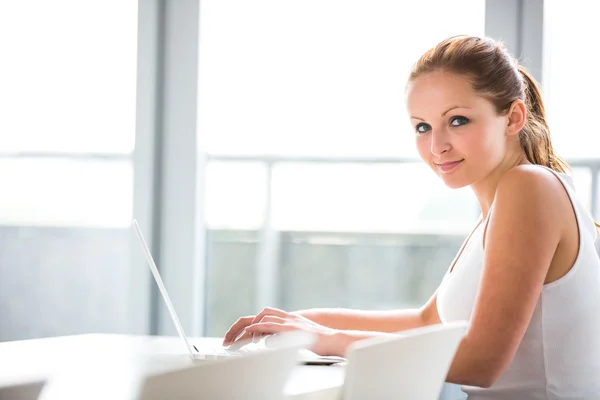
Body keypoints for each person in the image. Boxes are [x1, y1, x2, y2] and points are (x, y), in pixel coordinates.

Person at [222, 35, 600, 399]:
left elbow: (483, 361)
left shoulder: (529, 187)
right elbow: (427, 321)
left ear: (513, 117)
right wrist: (303, 322)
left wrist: (328, 340)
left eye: (457, 120)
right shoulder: (498, 210)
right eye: (423, 127)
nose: (437, 146)